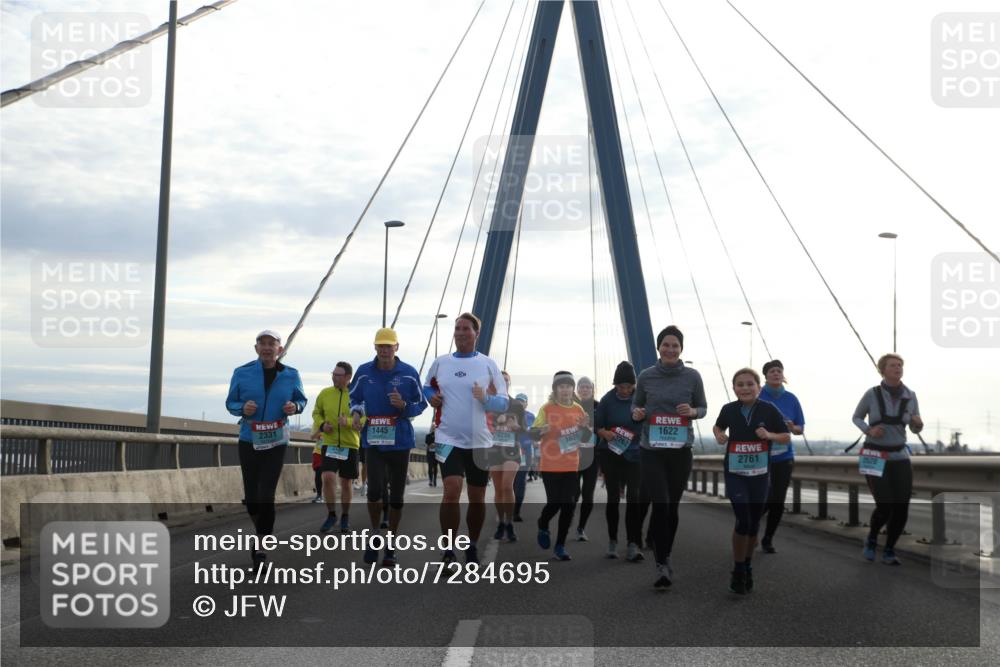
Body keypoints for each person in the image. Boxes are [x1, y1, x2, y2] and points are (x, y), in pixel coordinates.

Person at [424, 313, 508, 565]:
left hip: (480, 441)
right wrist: (431, 397)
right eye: (457, 328)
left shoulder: (488, 364)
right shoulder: (441, 362)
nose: (460, 333)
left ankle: (471, 545)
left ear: (476, 333)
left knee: (477, 497)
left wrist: (485, 398)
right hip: (448, 437)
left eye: (465, 329)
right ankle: (449, 550)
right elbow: (427, 386)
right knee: (451, 490)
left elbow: (503, 403)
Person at [632, 325, 707, 589]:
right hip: (651, 451)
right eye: (666, 344)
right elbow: (636, 405)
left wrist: (693, 412)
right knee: (661, 504)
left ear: (681, 349)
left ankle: (666, 553)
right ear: (658, 347)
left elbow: (703, 408)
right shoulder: (646, 376)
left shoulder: (692, 376)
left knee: (671, 507)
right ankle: (661, 564)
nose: (670, 349)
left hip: (680, 451)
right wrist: (637, 414)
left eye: (675, 345)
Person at [225, 329, 307, 566]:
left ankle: (261, 545)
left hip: (277, 440)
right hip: (249, 439)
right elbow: (230, 402)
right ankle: (260, 531)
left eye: (272, 344)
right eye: (262, 343)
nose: (267, 347)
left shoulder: (291, 374)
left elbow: (301, 400)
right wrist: (242, 408)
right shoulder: (241, 372)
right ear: (256, 349)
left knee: (266, 495)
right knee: (252, 498)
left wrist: (294, 406)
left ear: (279, 349)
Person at [350, 328, 427, 566]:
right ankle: (375, 536)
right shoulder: (364, 372)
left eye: (388, 346)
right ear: (375, 347)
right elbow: (355, 397)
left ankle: (391, 545)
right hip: (373, 440)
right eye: (381, 346)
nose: (384, 350)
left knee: (397, 497)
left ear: (396, 347)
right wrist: (356, 412)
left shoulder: (408, 373)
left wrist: (404, 406)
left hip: (400, 440)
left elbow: (421, 403)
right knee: (374, 491)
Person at [713, 367, 790, 594]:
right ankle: (738, 569)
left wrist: (769, 435)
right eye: (740, 384)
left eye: (750, 384)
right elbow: (718, 425)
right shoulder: (728, 409)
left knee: (754, 522)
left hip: (760, 475)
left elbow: (786, 436)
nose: (745, 388)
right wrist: (719, 434)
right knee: (743, 519)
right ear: (734, 388)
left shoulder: (769, 409)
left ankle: (747, 565)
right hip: (735, 473)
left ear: (759, 387)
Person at [852, 353, 924, 566]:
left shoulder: (910, 395)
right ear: (882, 369)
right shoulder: (872, 394)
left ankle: (890, 549)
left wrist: (918, 424)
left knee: (901, 507)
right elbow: (856, 417)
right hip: (874, 455)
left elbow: (915, 427)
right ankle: (872, 538)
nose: (898, 368)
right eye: (893, 365)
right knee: (885, 505)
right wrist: (869, 430)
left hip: (900, 456)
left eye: (900, 365)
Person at [532, 371, 591, 561]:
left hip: (571, 464)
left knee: (569, 505)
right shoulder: (547, 408)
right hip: (550, 464)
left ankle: (560, 545)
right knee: (555, 503)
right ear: (555, 389)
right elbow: (533, 433)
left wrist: (585, 427)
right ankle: (543, 523)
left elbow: (585, 438)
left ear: (573, 389)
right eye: (561, 386)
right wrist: (541, 430)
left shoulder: (578, 409)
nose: (565, 390)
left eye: (568, 386)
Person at [594, 361, 644, 560]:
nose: (624, 390)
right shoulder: (607, 400)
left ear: (634, 385)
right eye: (620, 386)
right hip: (611, 453)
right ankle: (612, 540)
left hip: (635, 454)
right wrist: (604, 433)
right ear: (615, 385)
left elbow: (650, 423)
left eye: (629, 386)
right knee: (613, 497)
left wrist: (643, 416)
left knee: (634, 497)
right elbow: (597, 425)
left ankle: (633, 543)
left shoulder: (641, 399)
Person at [756, 359, 805, 554]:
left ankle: (768, 539)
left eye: (779, 371)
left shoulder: (791, 399)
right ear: (765, 376)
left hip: (784, 457)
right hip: (760, 456)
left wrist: (793, 428)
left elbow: (800, 429)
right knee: (763, 498)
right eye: (772, 371)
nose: (776, 374)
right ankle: (750, 528)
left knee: (777, 500)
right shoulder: (758, 396)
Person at [312, 361, 362, 534]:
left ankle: (345, 516)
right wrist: (321, 425)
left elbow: (365, 418)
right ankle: (332, 514)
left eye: (338, 375)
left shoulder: (357, 396)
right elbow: (316, 412)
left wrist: (348, 422)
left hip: (350, 445)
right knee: (327, 477)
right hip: (330, 444)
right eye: (333, 374)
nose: (334, 377)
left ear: (348, 377)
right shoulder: (325, 393)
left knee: (346, 483)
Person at [489, 371, 525, 542]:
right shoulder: (489, 403)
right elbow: (482, 427)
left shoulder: (516, 405)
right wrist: (495, 424)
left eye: (507, 380)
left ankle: (509, 523)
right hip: (494, 450)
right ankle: (501, 522)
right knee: (498, 489)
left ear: (510, 383)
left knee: (506, 486)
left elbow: (524, 429)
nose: (504, 382)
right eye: (501, 380)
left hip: (512, 449)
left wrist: (516, 426)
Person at [574, 376, 598, 542]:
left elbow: (606, 426)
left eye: (587, 387)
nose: (584, 389)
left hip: (592, 456)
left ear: (592, 389)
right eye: (581, 387)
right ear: (577, 390)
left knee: (588, 495)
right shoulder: (571, 406)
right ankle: (568, 518)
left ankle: (581, 527)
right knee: (573, 494)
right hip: (573, 456)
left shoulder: (599, 406)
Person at [512, 393, 535, 522]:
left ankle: (516, 511)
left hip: (525, 452)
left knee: (520, 481)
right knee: (509, 482)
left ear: (526, 404)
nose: (520, 403)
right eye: (518, 401)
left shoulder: (530, 416)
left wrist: (519, 426)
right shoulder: (507, 414)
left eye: (522, 401)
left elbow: (530, 430)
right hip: (508, 451)